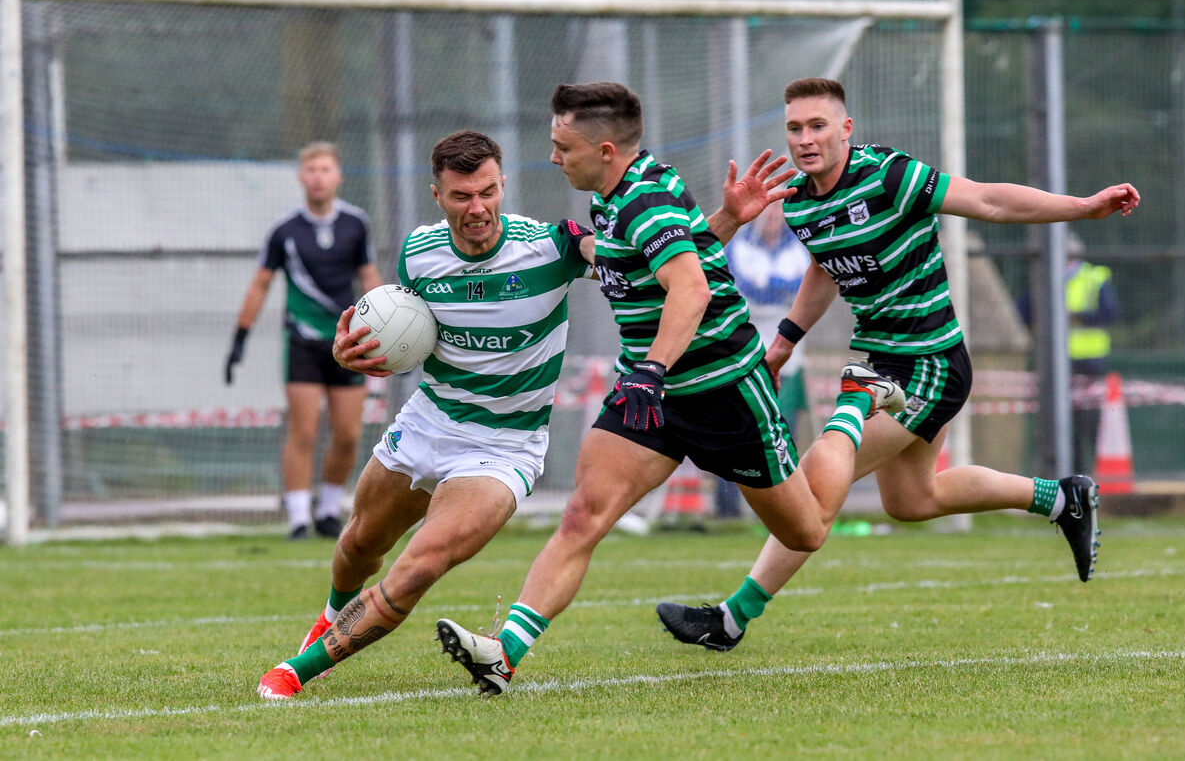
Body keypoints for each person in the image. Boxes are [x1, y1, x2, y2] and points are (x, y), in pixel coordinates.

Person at [434, 81, 906, 696]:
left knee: (806, 531)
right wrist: (730, 217)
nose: (554, 157)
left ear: (605, 149)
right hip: (652, 395)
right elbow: (682, 259)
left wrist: (650, 370)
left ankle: (856, 399)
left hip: (722, 390)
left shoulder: (642, 199)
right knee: (583, 515)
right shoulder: (620, 190)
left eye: (563, 145)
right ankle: (505, 652)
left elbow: (692, 290)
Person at [655, 76, 1140, 652]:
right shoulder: (802, 202)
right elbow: (826, 267)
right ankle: (1061, 498)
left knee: (811, 486)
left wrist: (1081, 208)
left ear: (846, 128)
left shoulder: (886, 174)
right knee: (911, 501)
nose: (805, 139)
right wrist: (785, 339)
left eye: (817, 125)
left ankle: (730, 619)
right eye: (794, 128)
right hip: (885, 360)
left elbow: (987, 199)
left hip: (930, 361)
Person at [256, 130, 596, 699]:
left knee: (418, 565)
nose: (478, 208)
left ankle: (297, 671)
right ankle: (328, 621)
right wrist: (357, 352)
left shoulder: (551, 246)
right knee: (359, 544)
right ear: (437, 195)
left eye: (488, 192)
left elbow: (629, 257)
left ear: (503, 184)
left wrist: (718, 225)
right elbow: (404, 335)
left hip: (504, 447)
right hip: (428, 422)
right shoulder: (419, 251)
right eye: (462, 196)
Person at [225, 141, 383, 540]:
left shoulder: (355, 223)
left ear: (338, 175)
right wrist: (240, 337)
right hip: (302, 342)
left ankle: (329, 510)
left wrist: (383, 325)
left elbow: (368, 276)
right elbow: (261, 283)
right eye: (311, 169)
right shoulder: (284, 230)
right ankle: (298, 517)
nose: (318, 177)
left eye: (325, 169)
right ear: (300, 176)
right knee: (304, 430)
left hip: (349, 344)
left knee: (347, 434)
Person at [715, 201, 812, 519]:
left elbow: (802, 288)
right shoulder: (740, 247)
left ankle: (787, 508)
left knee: (783, 427)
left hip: (788, 351)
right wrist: (770, 290)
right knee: (730, 425)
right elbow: (735, 285)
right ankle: (727, 509)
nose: (772, 217)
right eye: (767, 211)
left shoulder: (797, 250)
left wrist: (767, 287)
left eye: (778, 212)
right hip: (743, 347)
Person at [1018, 232, 1119, 475]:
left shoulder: (1095, 277)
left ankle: (1086, 472)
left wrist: (1075, 317)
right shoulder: (1043, 278)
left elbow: (1110, 313)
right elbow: (1023, 312)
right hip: (1053, 360)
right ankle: (1065, 471)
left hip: (1087, 362)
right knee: (1058, 421)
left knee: (1087, 421)